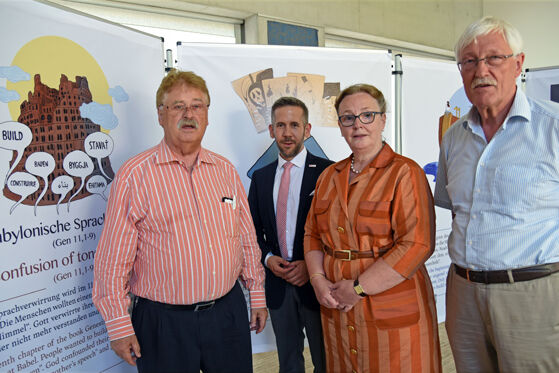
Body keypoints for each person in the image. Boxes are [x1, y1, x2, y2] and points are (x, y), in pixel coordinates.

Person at [92, 69, 267, 373]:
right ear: (161, 115)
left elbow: (245, 238)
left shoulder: (224, 170)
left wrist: (257, 294)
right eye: (178, 106)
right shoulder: (135, 175)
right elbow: (113, 259)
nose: (189, 114)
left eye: (197, 105)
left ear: (207, 115)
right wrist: (119, 325)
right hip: (164, 323)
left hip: (227, 314)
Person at [435, 16, 559, 372]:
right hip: (464, 293)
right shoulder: (453, 137)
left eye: (493, 58)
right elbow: (458, 211)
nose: (480, 70)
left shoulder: (552, 129)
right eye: (469, 61)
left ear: (518, 64)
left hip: (533, 293)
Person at [304, 84, 441, 373]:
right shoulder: (329, 176)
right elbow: (312, 234)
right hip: (337, 308)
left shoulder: (405, 172)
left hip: (390, 306)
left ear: (382, 120)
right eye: (348, 118)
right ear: (340, 126)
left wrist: (358, 288)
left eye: (367, 115)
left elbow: (417, 244)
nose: (358, 125)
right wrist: (317, 279)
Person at [248, 97, 331, 373]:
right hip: (279, 285)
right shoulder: (260, 178)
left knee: (327, 361)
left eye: (294, 125)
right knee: (289, 363)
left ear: (307, 130)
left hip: (319, 286)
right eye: (280, 125)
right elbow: (250, 233)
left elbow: (337, 233)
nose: (287, 133)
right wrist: (268, 258)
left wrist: (311, 266)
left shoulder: (329, 173)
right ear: (271, 130)